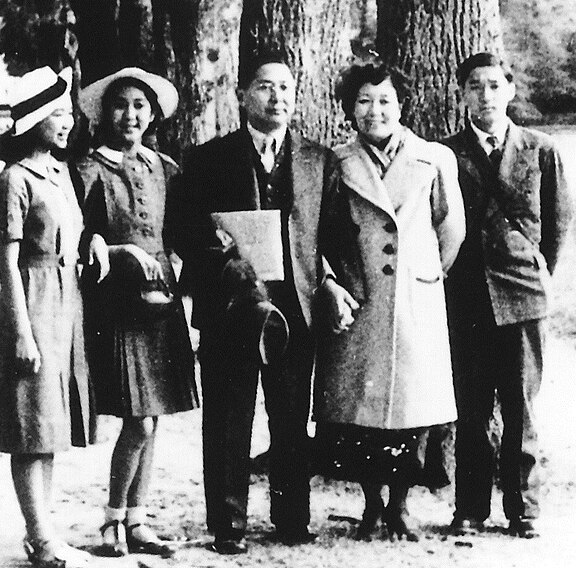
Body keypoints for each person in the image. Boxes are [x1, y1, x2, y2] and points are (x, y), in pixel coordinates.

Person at [174, 53, 335, 554]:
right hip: (231, 308)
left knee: (291, 415)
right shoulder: (207, 158)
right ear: (243, 94)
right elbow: (182, 229)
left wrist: (326, 280)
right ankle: (228, 524)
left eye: (286, 88)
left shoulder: (317, 159)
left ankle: (291, 518)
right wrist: (228, 260)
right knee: (228, 416)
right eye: (265, 87)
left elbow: (329, 233)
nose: (277, 98)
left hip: (295, 307)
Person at [313, 62, 465, 542]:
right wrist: (335, 280)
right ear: (348, 108)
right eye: (363, 100)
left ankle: (400, 504)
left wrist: (426, 273)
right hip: (360, 300)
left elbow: (450, 227)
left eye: (384, 100)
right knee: (363, 411)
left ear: (401, 105)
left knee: (413, 410)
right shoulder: (335, 162)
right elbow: (318, 231)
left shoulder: (433, 158)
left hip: (413, 300)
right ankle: (371, 504)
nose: (374, 110)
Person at [443, 53, 572, 538]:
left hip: (522, 297)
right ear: (462, 95)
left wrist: (535, 274)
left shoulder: (541, 149)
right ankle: (471, 508)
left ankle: (524, 509)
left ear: (510, 91)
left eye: (494, 85)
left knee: (521, 407)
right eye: (474, 86)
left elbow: (557, 225)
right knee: (471, 409)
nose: (485, 95)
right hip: (468, 297)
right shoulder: (447, 153)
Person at [0, 66, 109, 568]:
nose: (67, 122)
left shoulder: (60, 173)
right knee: (29, 425)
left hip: (67, 304)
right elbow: (8, 263)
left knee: (49, 427)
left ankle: (45, 533)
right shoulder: (13, 181)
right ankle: (39, 540)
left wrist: (95, 242)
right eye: (57, 113)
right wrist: (20, 329)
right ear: (34, 120)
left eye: (69, 113)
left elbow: (76, 234)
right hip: (33, 303)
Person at [76, 68, 199, 557]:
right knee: (138, 420)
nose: (131, 115)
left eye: (140, 107)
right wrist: (113, 247)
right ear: (106, 113)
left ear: (153, 115)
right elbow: (81, 236)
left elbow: (185, 229)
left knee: (156, 416)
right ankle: (111, 519)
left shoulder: (164, 168)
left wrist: (180, 264)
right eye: (121, 105)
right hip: (120, 305)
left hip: (161, 304)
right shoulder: (89, 168)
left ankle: (138, 518)